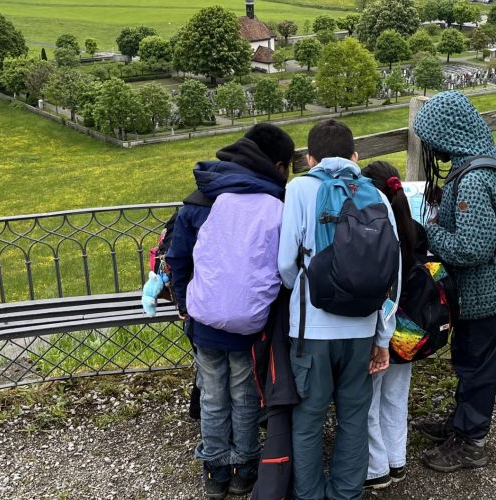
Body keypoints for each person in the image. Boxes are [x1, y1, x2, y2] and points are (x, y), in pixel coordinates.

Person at [166, 124, 295, 499]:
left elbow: (177, 257)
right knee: (244, 395)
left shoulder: (203, 197)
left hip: (205, 320)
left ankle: (215, 471)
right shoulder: (277, 204)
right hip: (251, 325)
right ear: (277, 165)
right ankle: (244, 469)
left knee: (211, 396)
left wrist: (186, 304)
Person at [277, 119, 401, 500]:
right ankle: (346, 494)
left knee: (309, 419)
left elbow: (285, 264)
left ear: (310, 159)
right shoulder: (376, 196)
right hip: (362, 328)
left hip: (311, 331)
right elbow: (392, 274)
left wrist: (304, 290)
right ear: (355, 157)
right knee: (354, 418)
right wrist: (383, 338)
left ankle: (309, 495)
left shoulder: (299, 189)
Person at [412, 91, 496, 472]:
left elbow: (472, 248)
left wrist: (428, 231)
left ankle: (472, 442)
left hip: (484, 292)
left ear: (448, 134)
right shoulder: (477, 162)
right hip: (479, 291)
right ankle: (460, 424)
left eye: (432, 139)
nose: (430, 148)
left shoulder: (474, 180)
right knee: (468, 359)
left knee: (477, 366)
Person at [359, 161, 419, 490]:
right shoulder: (414, 228)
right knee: (396, 398)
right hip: (409, 331)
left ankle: (375, 468)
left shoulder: (374, 231)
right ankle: (397, 460)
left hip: (381, 326)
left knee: (369, 399)